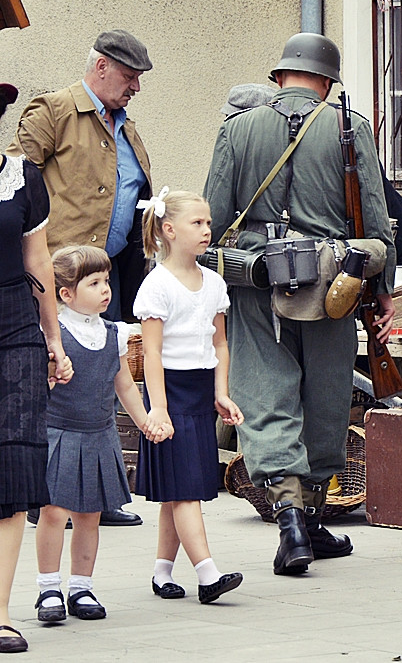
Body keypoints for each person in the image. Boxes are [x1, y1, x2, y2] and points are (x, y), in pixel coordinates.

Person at [204, 33, 396, 576]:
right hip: (332, 288)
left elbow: (212, 226)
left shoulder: (236, 130)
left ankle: (293, 523)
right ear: (329, 82)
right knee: (327, 395)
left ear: (280, 76)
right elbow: (375, 225)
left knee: (266, 396)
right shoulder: (349, 128)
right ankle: (308, 518)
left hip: (256, 286)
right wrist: (379, 293)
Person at [8, 29, 155, 528]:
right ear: (101, 67)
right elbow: (12, 181)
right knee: (47, 388)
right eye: (130, 77)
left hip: (101, 283)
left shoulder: (126, 127)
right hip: (55, 282)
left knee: (98, 388)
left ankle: (96, 492)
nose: (135, 87)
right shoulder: (54, 110)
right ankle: (40, 495)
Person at [0, 60, 72, 654]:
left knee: (10, 472)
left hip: (14, 329)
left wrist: (54, 342)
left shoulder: (23, 177)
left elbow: (39, 263)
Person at [35, 247, 171, 624]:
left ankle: (81, 586)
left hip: (100, 434)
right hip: (59, 434)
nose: (105, 289)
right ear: (66, 294)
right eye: (94, 283)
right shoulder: (53, 334)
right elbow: (38, 386)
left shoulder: (115, 334)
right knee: (54, 511)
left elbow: (124, 384)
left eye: (106, 281)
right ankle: (48, 587)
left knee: (89, 515)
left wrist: (145, 420)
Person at [134, 189, 244, 604]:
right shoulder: (156, 286)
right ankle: (207, 573)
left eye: (208, 223)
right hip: (170, 393)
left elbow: (220, 345)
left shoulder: (214, 283)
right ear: (168, 230)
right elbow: (152, 352)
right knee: (185, 490)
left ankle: (163, 574)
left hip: (199, 394)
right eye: (197, 223)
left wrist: (221, 393)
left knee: (181, 489)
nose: (206, 230)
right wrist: (158, 407)